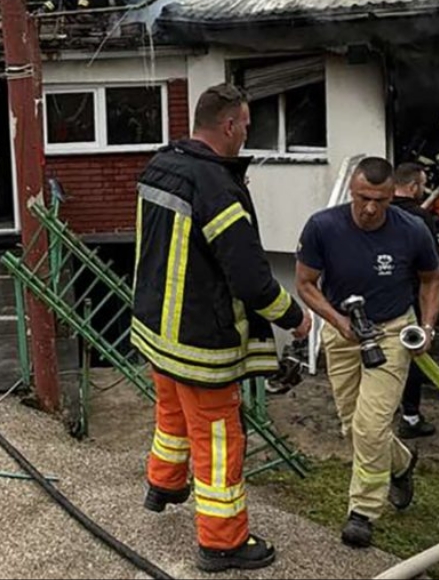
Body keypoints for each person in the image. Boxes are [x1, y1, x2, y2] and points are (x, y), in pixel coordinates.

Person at [133, 82, 313, 573]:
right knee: (217, 440)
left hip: (156, 330)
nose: (247, 136)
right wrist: (294, 317)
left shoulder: (161, 164)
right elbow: (251, 280)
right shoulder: (216, 186)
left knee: (172, 414)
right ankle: (222, 543)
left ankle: (164, 483)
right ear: (229, 125)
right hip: (200, 343)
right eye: (247, 126)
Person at [295, 157, 439, 549]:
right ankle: (401, 463)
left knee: (371, 427)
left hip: (392, 330)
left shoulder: (411, 230)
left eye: (381, 200)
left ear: (393, 195)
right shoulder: (323, 227)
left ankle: (362, 512)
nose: (371, 208)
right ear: (352, 190)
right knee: (353, 425)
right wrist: (337, 320)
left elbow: (432, 280)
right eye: (363, 198)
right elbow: (306, 283)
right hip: (343, 332)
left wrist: (427, 328)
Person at [392, 162, 439, 439]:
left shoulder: (380, 212)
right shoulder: (419, 217)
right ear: (413, 187)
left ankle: (384, 410)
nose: (424, 190)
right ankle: (410, 417)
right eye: (422, 185)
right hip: (412, 296)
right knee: (414, 355)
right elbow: (432, 257)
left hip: (383, 295)